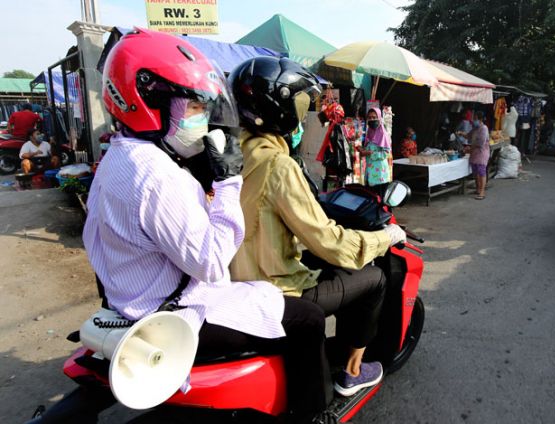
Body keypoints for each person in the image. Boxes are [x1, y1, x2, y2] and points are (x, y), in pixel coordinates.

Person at [84, 29, 332, 424]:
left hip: (131, 301)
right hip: (175, 315)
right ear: (149, 101)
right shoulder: (158, 176)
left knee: (265, 295)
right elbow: (212, 264)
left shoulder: (119, 157)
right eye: (195, 106)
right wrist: (228, 182)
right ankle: (311, 415)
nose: (202, 117)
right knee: (308, 318)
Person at [228, 56, 407, 402]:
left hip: (234, 283)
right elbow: (330, 242)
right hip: (276, 291)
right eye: (301, 104)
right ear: (282, 108)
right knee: (374, 279)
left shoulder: (232, 154)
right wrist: (384, 239)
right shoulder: (279, 166)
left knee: (327, 265)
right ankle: (353, 372)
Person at [359, 107, 393, 195]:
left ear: (379, 118)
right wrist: (362, 150)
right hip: (370, 173)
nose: (372, 119)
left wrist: (370, 153)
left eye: (374, 117)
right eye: (369, 117)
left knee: (380, 201)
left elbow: (386, 153)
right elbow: (369, 149)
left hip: (380, 176)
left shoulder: (383, 134)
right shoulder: (369, 133)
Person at [468, 110, 490, 200]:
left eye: (475, 119)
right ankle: (478, 189)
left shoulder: (484, 128)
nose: (473, 120)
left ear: (480, 119)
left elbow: (480, 143)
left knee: (481, 172)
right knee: (476, 171)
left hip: (481, 153)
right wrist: (461, 134)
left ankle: (482, 192)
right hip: (474, 153)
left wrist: (470, 148)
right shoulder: (475, 128)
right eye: (473, 119)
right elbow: (469, 135)